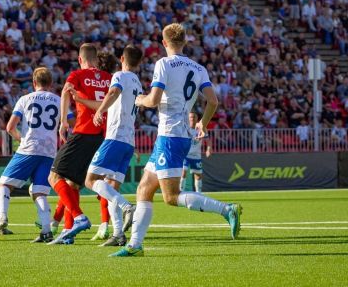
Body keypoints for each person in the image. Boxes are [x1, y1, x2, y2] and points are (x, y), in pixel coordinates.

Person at [111, 24, 241, 257]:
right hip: (177, 134)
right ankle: (135, 245)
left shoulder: (163, 64)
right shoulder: (198, 67)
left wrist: (139, 100)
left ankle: (226, 209)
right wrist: (202, 122)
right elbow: (213, 102)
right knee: (143, 188)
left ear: (164, 42)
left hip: (170, 135)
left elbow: (153, 100)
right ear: (184, 42)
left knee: (171, 197)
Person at [72, 45, 144, 247]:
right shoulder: (138, 82)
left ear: (122, 58)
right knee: (111, 187)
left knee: (90, 180)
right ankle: (119, 234)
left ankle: (127, 207)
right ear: (138, 63)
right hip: (129, 140)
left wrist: (99, 111)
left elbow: (113, 92)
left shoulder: (119, 76)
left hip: (114, 137)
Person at [47, 43, 111, 245]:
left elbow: (66, 91)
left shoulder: (77, 75)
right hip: (103, 136)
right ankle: (68, 232)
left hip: (83, 131)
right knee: (73, 183)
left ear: (80, 59)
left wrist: (64, 121)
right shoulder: (109, 78)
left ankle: (79, 217)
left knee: (54, 175)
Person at [0, 68, 60, 243]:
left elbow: (10, 127)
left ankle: (2, 217)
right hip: (49, 151)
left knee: (4, 184)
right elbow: (71, 121)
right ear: (50, 84)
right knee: (39, 192)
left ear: (34, 83)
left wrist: (21, 138)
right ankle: (46, 231)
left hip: (28, 148)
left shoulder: (25, 99)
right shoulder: (58, 100)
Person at [180, 112, 212, 193]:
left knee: (198, 176)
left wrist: (208, 149)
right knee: (183, 172)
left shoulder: (202, 128)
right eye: (190, 117)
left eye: (194, 117)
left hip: (196, 156)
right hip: (185, 155)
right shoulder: (184, 127)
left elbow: (208, 141)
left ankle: (199, 193)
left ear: (197, 118)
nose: (192, 119)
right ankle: (180, 192)